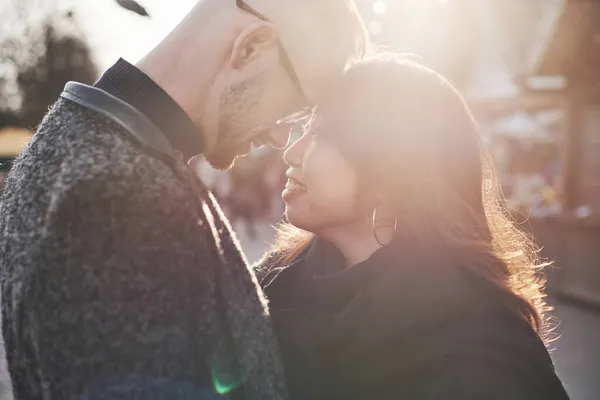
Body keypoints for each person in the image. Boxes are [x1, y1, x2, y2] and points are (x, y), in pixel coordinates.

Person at [0, 0, 367, 399]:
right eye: (294, 108)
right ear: (251, 47)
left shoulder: (82, 147)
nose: (280, 139)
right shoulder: (116, 198)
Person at [256, 54, 571, 400]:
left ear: (389, 170)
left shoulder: (478, 347)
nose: (291, 153)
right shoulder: (271, 282)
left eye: (319, 133)